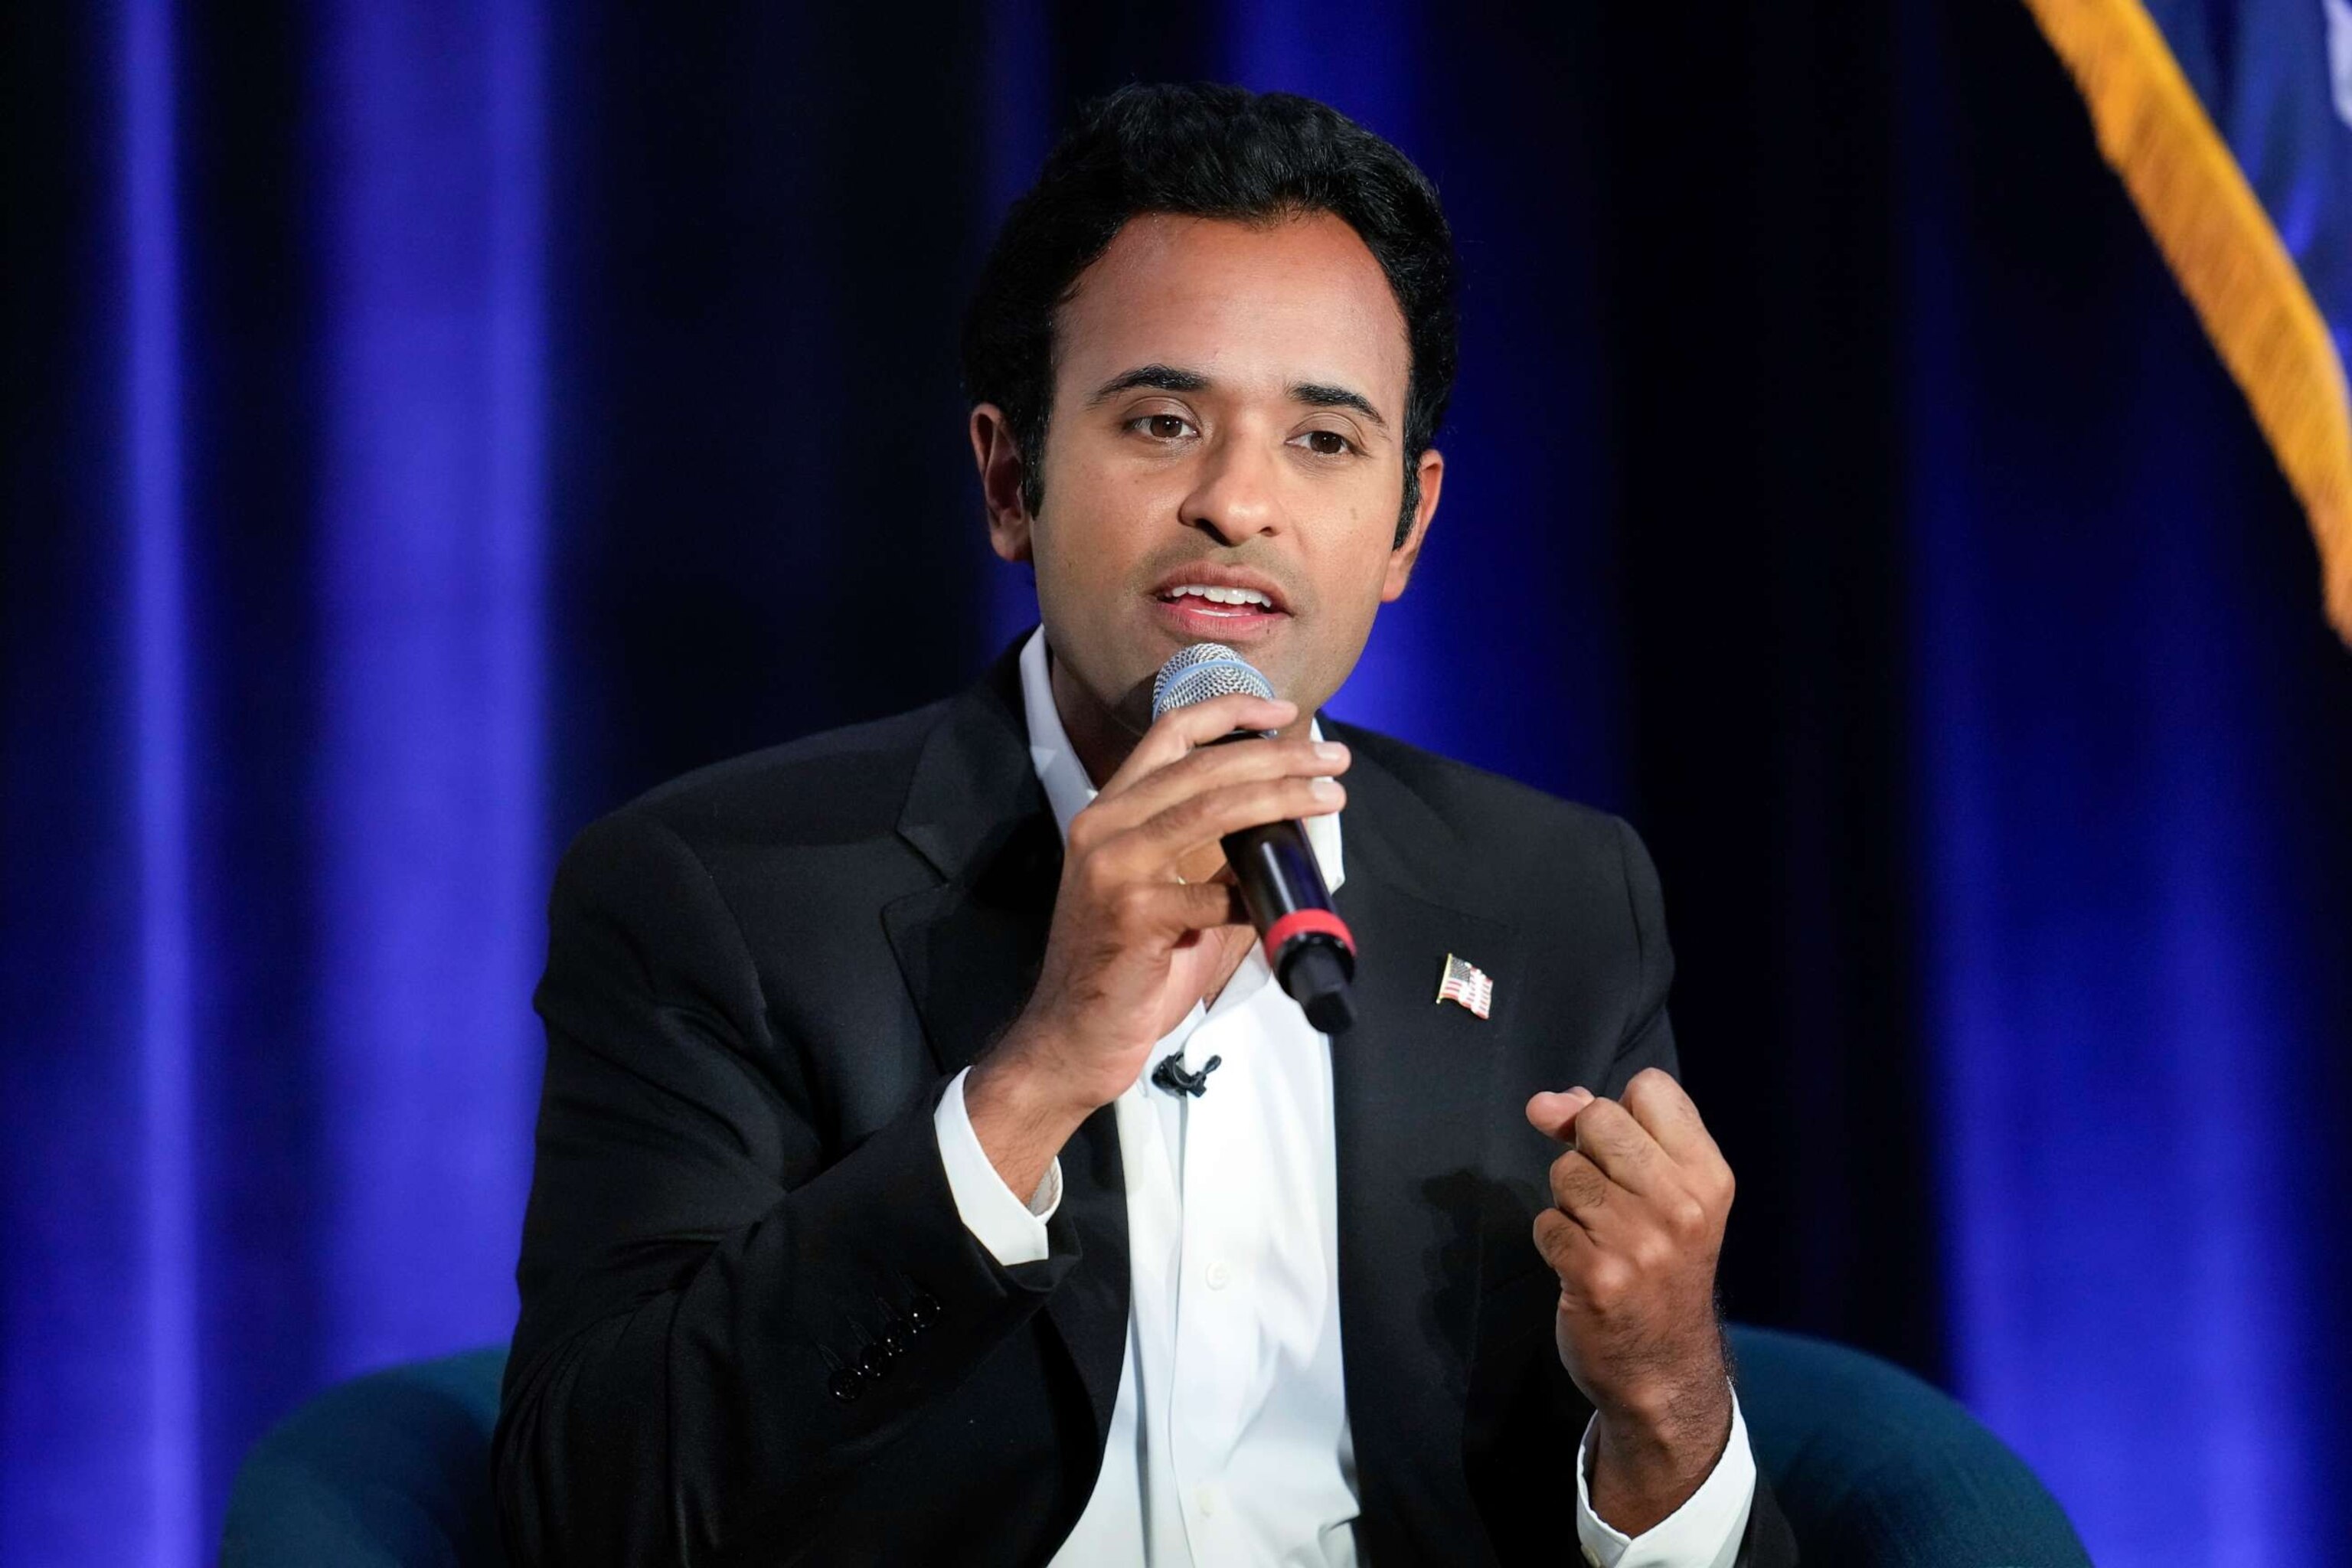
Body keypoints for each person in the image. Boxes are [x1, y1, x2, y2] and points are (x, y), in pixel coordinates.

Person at [494, 83, 1798, 1567]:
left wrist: (1667, 1397)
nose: (1238, 501)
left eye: (1323, 441)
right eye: (1164, 420)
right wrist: (1033, 1079)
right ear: (1010, 476)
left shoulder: (1559, 896)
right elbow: (588, 1512)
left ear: (1408, 529)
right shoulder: (720, 895)